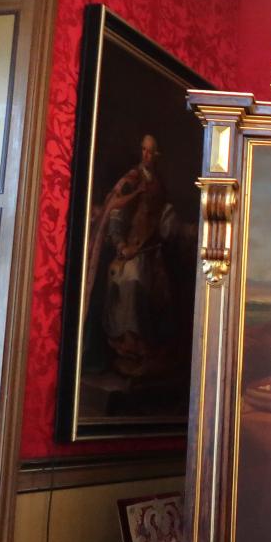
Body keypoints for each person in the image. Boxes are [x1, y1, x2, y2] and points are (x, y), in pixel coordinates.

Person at [95, 134, 181, 377]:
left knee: (162, 294)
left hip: (149, 251)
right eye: (143, 150)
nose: (146, 155)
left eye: (150, 151)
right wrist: (121, 245)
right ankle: (129, 348)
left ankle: (149, 352)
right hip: (130, 250)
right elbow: (115, 212)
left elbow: (160, 217)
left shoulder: (158, 183)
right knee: (132, 284)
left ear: (157, 155)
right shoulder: (132, 179)